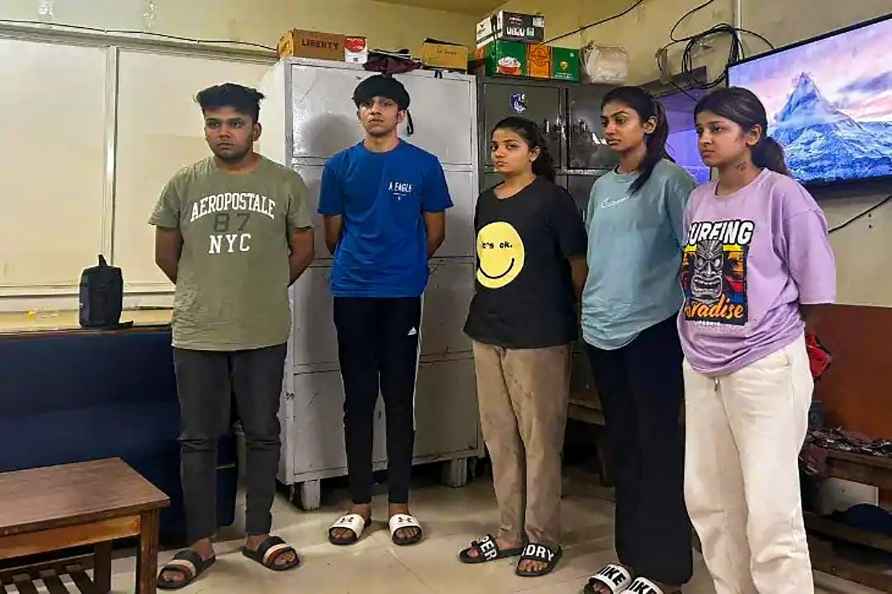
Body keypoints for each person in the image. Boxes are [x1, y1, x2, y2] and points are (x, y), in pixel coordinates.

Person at [150, 83, 314, 589]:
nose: (224, 133)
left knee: (263, 432)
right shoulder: (183, 183)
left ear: (255, 129)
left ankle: (259, 534)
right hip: (198, 332)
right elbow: (166, 254)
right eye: (214, 124)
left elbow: (303, 250)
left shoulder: (285, 183)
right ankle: (199, 543)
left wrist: (259, 289)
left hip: (263, 330)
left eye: (235, 123)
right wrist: (207, 291)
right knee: (198, 439)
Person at [680, 87, 836, 594]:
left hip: (765, 366)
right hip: (702, 366)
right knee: (712, 502)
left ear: (752, 136)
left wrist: (768, 339)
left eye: (718, 129)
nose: (705, 139)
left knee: (771, 510)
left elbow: (815, 294)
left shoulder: (783, 196)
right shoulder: (698, 199)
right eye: (701, 129)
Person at [319, 74, 452, 547]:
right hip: (352, 293)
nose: (374, 110)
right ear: (358, 112)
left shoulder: (424, 165)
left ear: (400, 114)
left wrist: (404, 264)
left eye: (384, 103)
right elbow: (333, 236)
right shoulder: (339, 167)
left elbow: (434, 233)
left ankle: (399, 506)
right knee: (357, 399)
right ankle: (358, 506)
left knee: (398, 398)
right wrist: (365, 262)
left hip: (402, 297)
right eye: (366, 103)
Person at [458, 117, 588, 578]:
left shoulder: (553, 200)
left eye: (510, 145)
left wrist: (560, 314)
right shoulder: (485, 202)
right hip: (487, 330)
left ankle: (542, 536)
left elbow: (578, 266)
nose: (499, 153)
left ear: (534, 153)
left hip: (540, 336)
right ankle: (509, 532)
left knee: (540, 441)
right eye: (495, 145)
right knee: (499, 438)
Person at [581, 87, 695, 594]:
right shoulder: (602, 187)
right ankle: (629, 557)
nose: (610, 128)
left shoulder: (672, 181)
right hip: (601, 331)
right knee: (623, 447)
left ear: (649, 124)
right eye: (606, 120)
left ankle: (665, 568)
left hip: (653, 331)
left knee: (658, 448)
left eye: (621, 119)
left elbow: (695, 261)